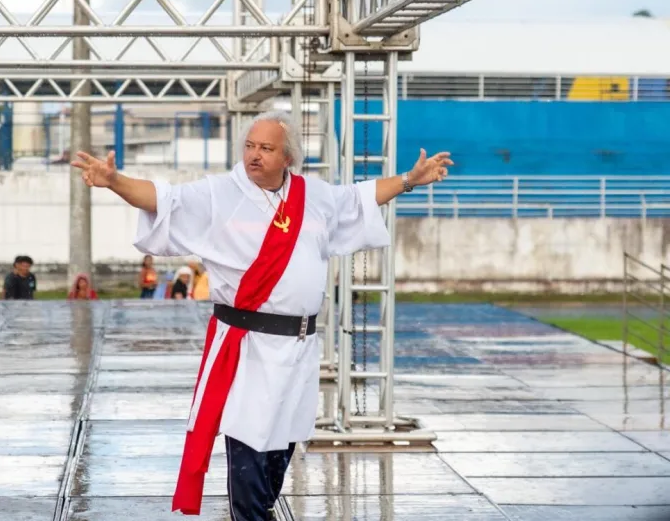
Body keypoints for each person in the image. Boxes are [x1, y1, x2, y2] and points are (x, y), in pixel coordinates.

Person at [71, 110, 452, 521]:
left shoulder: (314, 195)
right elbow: (164, 199)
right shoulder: (219, 194)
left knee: (283, 442)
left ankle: (261, 511)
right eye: (250, 146)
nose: (254, 155)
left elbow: (359, 196)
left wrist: (410, 180)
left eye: (266, 148)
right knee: (249, 443)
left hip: (299, 345)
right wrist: (114, 182)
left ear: (288, 157)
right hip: (247, 345)